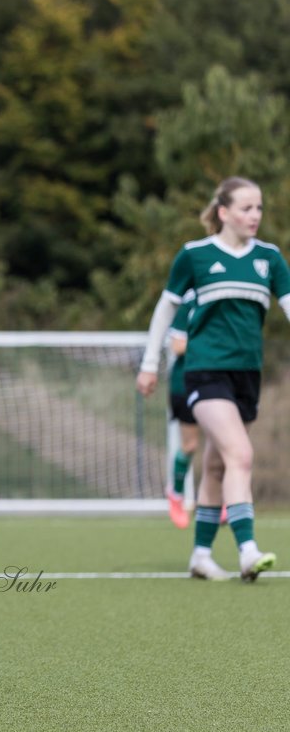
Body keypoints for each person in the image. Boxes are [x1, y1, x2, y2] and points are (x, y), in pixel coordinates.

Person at [136, 176, 286, 582]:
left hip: (247, 377)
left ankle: (200, 555)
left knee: (219, 465)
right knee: (241, 455)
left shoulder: (270, 259)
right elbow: (164, 313)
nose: (254, 215)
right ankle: (248, 550)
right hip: (205, 372)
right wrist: (150, 363)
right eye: (245, 208)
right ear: (223, 212)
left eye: (259, 208)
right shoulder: (195, 255)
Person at [164, 291, 200, 528]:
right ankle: (176, 493)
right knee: (191, 445)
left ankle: (222, 500)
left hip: (218, 381)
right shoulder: (190, 300)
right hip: (185, 384)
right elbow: (178, 345)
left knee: (225, 444)